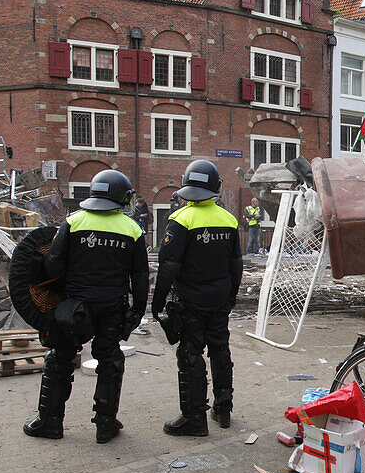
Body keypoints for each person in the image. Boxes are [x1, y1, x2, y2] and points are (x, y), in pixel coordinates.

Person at [23, 169, 148, 443]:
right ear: (122, 197)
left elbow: (53, 263)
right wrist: (137, 310)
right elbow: (139, 275)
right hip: (112, 308)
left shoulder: (73, 222)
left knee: (60, 358)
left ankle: (50, 421)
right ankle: (105, 424)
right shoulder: (132, 229)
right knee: (110, 360)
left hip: (74, 307)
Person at [152, 160, 243, 435]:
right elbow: (236, 263)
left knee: (191, 353)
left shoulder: (181, 219)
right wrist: (231, 296)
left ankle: (194, 418)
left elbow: (169, 266)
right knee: (220, 349)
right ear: (216, 186)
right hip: (218, 299)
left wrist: (156, 302)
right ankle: (223, 409)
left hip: (189, 300)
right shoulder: (228, 219)